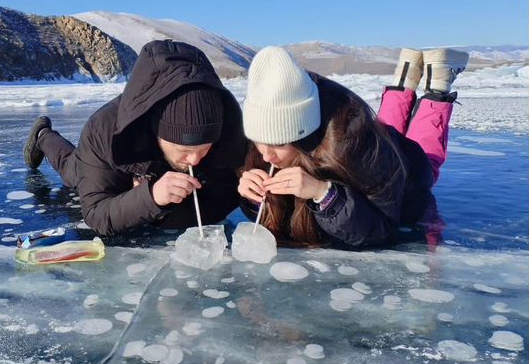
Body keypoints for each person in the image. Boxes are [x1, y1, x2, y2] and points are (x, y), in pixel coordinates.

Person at [238, 45, 468, 247]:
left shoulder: (357, 148)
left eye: (278, 143)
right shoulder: (276, 111)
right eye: (258, 139)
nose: (266, 155)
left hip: (410, 172)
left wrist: (323, 194)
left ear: (301, 134)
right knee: (385, 129)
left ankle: (438, 84)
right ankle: (405, 76)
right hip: (379, 142)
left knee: (427, 156)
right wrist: (255, 199)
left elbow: (382, 226)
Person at [23, 40, 247, 236]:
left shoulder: (226, 127)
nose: (195, 160)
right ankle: (43, 135)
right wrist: (151, 197)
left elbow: (226, 191)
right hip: (117, 158)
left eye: (205, 147)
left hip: (145, 171)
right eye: (184, 150)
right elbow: (97, 215)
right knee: (71, 169)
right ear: (159, 133)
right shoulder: (103, 131)